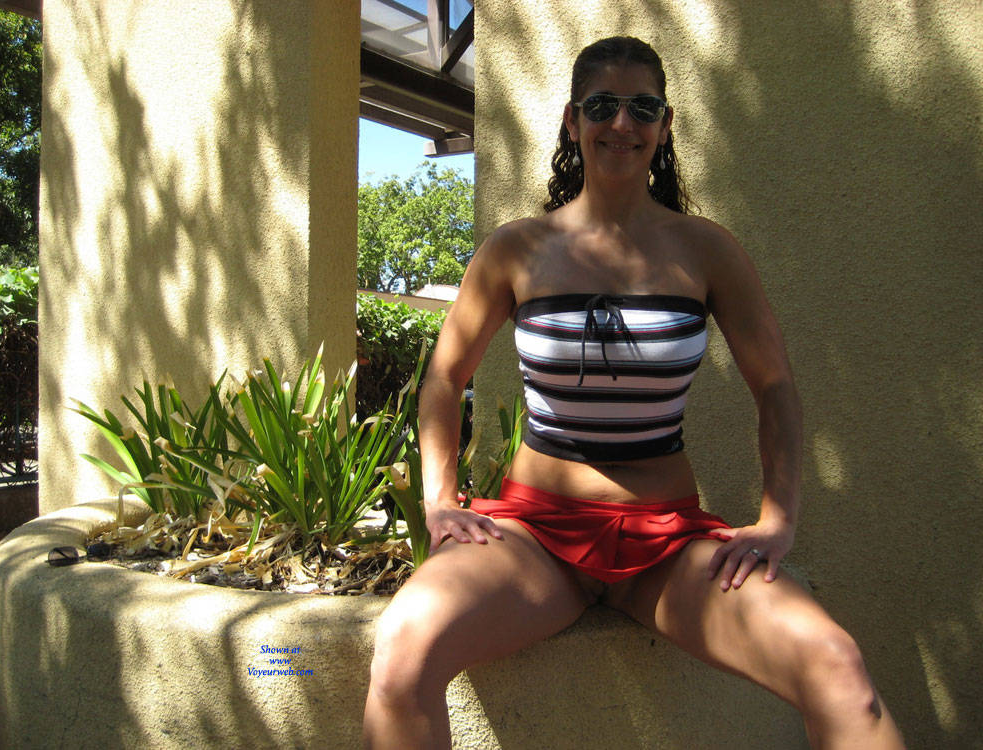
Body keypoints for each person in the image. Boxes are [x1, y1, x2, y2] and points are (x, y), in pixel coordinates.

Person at [363, 36, 905, 750]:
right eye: (603, 106)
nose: (622, 122)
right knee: (402, 652)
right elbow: (443, 378)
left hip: (667, 543)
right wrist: (439, 499)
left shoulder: (708, 250)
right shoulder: (516, 250)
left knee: (836, 669)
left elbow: (775, 387)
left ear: (666, 125)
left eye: (643, 108)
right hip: (532, 537)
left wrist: (778, 519)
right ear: (572, 120)